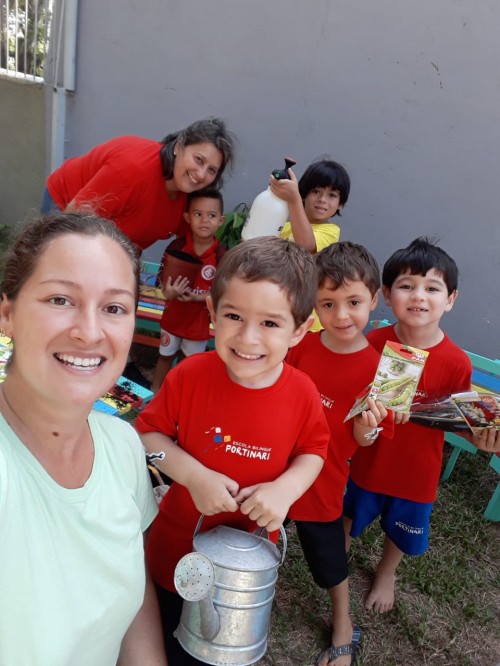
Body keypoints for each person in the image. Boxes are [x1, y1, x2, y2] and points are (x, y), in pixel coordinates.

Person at [135, 236, 331, 664]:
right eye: (234, 316)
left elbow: (314, 451)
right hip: (175, 551)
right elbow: (148, 437)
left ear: (300, 330)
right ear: (212, 313)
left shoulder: (301, 393)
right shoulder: (190, 375)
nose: (247, 337)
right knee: (161, 643)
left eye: (270, 324)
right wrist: (193, 476)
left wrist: (284, 491)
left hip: (246, 566)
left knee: (219, 647)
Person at [0, 213, 166, 665]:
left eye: (114, 308)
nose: (90, 332)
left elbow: (131, 592)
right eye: (60, 299)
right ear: (7, 314)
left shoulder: (121, 445)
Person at [344, 237, 500, 614]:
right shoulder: (374, 342)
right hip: (369, 457)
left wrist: (482, 439)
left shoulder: (456, 362)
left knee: (403, 528)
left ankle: (386, 572)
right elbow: (354, 402)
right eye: (407, 285)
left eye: (432, 288)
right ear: (386, 293)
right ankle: (337, 558)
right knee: (349, 514)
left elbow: (457, 419)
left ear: (450, 300)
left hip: (418, 470)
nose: (419, 296)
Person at [286, 242, 392, 666]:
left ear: (375, 298)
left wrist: (367, 430)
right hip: (275, 462)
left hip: (325, 475)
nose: (341, 315)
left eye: (353, 302)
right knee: (248, 526)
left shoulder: (378, 373)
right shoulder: (302, 347)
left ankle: (343, 625)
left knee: (327, 559)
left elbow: (365, 441)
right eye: (327, 303)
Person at [42, 117, 236, 250]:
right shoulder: (133, 171)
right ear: (178, 147)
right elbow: (72, 225)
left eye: (212, 170)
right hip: (67, 210)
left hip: (115, 239)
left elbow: (193, 247)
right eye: (198, 160)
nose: (201, 174)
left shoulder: (192, 198)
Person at [151, 188, 226, 392]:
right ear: (187, 217)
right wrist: (170, 292)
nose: (204, 220)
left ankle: (181, 398)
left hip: (198, 323)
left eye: (211, 215)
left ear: (221, 220)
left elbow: (222, 293)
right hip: (173, 317)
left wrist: (198, 297)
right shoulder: (176, 247)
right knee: (165, 357)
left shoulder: (222, 255)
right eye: (197, 214)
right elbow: (161, 283)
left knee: (189, 364)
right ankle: (155, 392)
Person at [271, 158, 350, 331]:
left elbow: (306, 245)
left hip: (307, 322)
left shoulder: (330, 232)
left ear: (341, 204)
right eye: (316, 191)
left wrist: (293, 201)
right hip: (278, 310)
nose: (322, 199)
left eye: (332, 195)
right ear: (304, 193)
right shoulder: (284, 227)